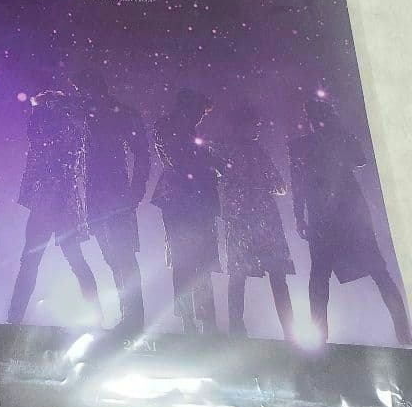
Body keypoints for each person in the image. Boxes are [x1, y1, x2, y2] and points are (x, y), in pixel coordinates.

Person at [290, 98, 412, 346]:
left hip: (338, 214)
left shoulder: (305, 145)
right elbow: (358, 159)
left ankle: (321, 337)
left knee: (325, 275)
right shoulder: (312, 144)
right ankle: (403, 333)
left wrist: (299, 216)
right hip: (342, 213)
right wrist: (299, 215)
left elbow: (300, 183)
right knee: (373, 272)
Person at [7, 87, 100, 326]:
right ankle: (97, 318)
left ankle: (14, 319)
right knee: (74, 260)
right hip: (63, 202)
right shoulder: (74, 125)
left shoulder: (47, 124)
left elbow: (37, 139)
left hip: (47, 201)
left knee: (31, 262)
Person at [69, 70, 151, 336]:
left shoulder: (119, 113)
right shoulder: (86, 114)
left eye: (82, 89)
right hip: (98, 194)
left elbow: (142, 153)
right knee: (112, 257)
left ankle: (134, 319)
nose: (80, 94)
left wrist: (136, 188)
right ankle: (131, 317)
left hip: (115, 192)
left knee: (122, 255)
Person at [151, 88, 225, 335]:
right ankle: (194, 321)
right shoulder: (172, 129)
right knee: (190, 260)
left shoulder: (174, 129)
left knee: (193, 261)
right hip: (184, 199)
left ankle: (198, 320)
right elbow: (182, 161)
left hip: (186, 199)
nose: (201, 116)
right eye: (199, 111)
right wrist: (210, 161)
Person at [218, 105, 295, 339]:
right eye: (255, 125)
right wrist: (260, 187)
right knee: (275, 275)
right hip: (262, 220)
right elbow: (279, 185)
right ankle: (290, 332)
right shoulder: (254, 151)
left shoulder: (224, 151)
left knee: (239, 276)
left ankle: (237, 331)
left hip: (241, 219)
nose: (258, 130)